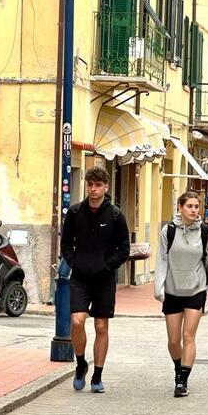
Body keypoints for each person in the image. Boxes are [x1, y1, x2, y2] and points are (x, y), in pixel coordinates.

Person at [61, 166, 130, 393]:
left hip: (104, 280)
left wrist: (108, 265)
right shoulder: (74, 213)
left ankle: (97, 376)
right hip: (80, 277)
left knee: (101, 326)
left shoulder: (115, 215)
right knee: (77, 321)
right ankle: (81, 364)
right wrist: (73, 262)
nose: (93, 189)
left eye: (98, 185)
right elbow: (66, 244)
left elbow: (124, 248)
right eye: (90, 184)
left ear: (105, 187)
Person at [154, 191, 208, 397]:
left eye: (196, 206)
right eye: (189, 206)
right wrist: (159, 287)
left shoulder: (204, 232)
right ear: (180, 208)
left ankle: (182, 380)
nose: (193, 210)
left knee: (188, 335)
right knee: (174, 341)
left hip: (196, 289)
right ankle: (178, 367)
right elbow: (162, 259)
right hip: (173, 289)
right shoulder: (168, 231)